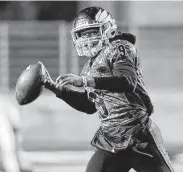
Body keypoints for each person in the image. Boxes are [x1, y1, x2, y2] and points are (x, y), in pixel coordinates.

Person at [41, 6, 174, 172]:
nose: (87, 38)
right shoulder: (89, 67)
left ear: (108, 30)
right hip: (110, 139)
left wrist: (85, 81)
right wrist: (57, 89)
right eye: (83, 34)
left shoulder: (120, 48)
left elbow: (127, 81)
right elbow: (89, 106)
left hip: (140, 136)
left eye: (92, 32)